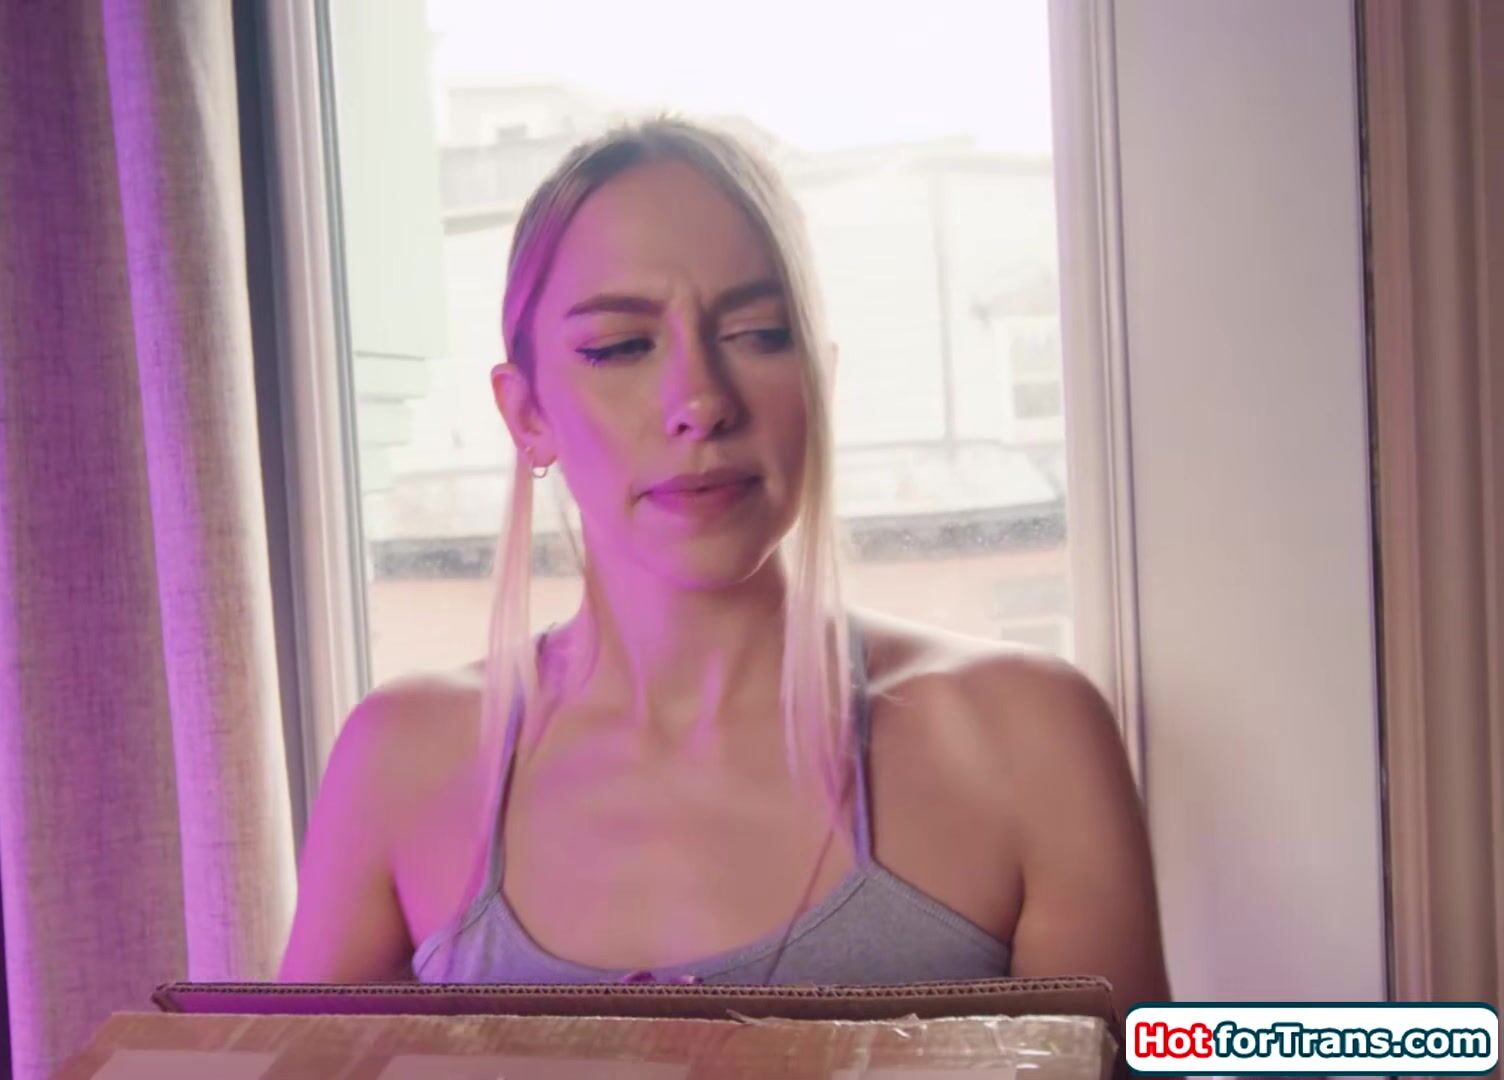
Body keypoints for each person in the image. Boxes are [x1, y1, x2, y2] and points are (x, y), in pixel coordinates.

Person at [279, 117, 1169, 1011]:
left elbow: (1164, 1056)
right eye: (620, 346)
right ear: (527, 415)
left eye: (758, 332)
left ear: (819, 381)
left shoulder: (1026, 734)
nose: (700, 401)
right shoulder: (399, 758)